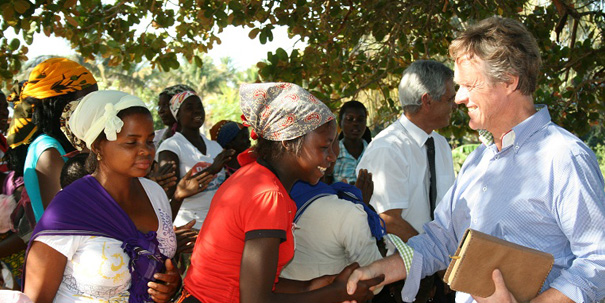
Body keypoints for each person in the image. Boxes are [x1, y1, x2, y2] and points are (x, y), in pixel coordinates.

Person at [346, 16, 605, 303]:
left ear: (509, 81)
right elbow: (440, 239)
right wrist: (377, 270)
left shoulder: (564, 157)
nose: (458, 98)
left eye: (469, 85)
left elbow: (598, 261)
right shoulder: (479, 159)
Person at [178, 82, 383, 303]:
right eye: (325, 147)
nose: (332, 156)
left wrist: (314, 285)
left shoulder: (252, 176)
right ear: (287, 141)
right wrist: (336, 294)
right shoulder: (268, 196)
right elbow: (256, 300)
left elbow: (251, 280)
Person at [23, 90, 209, 302]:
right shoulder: (70, 207)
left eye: (149, 141)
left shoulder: (155, 194)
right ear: (97, 146)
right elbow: (35, 297)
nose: (146, 151)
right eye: (132, 143)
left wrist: (170, 284)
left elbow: (158, 262)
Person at [356, 60, 457, 302]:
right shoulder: (388, 148)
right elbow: (388, 220)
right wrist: (437, 258)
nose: (455, 105)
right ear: (427, 100)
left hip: (438, 273)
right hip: (398, 279)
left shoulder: (440, 144)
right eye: (449, 99)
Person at [6, 58, 98, 222]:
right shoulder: (47, 150)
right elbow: (64, 219)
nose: (93, 108)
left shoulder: (63, 145)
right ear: (60, 104)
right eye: (85, 101)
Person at [280, 136, 384, 281]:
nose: (333, 154)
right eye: (326, 144)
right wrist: (362, 207)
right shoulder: (348, 213)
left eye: (333, 142)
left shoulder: (276, 194)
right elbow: (374, 280)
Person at [157, 91, 234, 229]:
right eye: (189, 107)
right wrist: (211, 170)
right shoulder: (171, 146)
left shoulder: (214, 146)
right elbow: (170, 192)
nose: (197, 110)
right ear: (178, 115)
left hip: (218, 222)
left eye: (199, 106)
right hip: (188, 225)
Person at [332, 101, 371, 184]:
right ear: (340, 123)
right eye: (350, 119)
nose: (355, 123)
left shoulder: (373, 152)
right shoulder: (332, 154)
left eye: (360, 119)